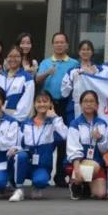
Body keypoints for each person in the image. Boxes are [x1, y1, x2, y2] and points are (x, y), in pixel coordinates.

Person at [36, 31, 80, 188]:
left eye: (62, 42)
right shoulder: (45, 62)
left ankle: (60, 175)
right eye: (56, 42)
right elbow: (37, 80)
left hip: (65, 104)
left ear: (67, 45)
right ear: (53, 44)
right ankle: (41, 171)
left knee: (63, 139)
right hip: (47, 104)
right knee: (46, 137)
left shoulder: (74, 63)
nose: (59, 45)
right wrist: (47, 73)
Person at [15, 91, 68, 200]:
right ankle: (19, 189)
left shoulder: (54, 123)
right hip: (26, 164)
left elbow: (66, 135)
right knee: (20, 156)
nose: (42, 104)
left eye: (45, 101)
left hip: (42, 166)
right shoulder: (26, 123)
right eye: (38, 101)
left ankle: (37, 186)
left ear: (51, 104)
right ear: (34, 104)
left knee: (40, 180)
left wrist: (55, 117)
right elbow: (17, 144)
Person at [65, 90, 108, 201]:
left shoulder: (102, 124)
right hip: (79, 163)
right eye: (85, 101)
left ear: (97, 105)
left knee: (100, 194)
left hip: (97, 164)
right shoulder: (75, 124)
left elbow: (105, 150)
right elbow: (73, 149)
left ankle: (85, 186)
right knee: (92, 166)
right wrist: (77, 170)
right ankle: (75, 183)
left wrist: (100, 138)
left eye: (91, 101)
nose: (88, 104)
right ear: (80, 105)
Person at [60, 40, 100, 121]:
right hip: (74, 109)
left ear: (92, 52)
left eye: (88, 49)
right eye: (83, 49)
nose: (85, 52)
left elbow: (104, 88)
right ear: (79, 52)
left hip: (94, 108)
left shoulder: (98, 70)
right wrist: (72, 80)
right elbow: (64, 93)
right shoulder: (72, 71)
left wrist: (94, 75)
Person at [0, 45, 35, 121]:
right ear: (6, 58)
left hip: (16, 119)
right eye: (10, 56)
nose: (13, 59)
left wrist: (13, 121)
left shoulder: (27, 78)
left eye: (17, 56)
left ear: (21, 58)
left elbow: (26, 104)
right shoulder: (0, 76)